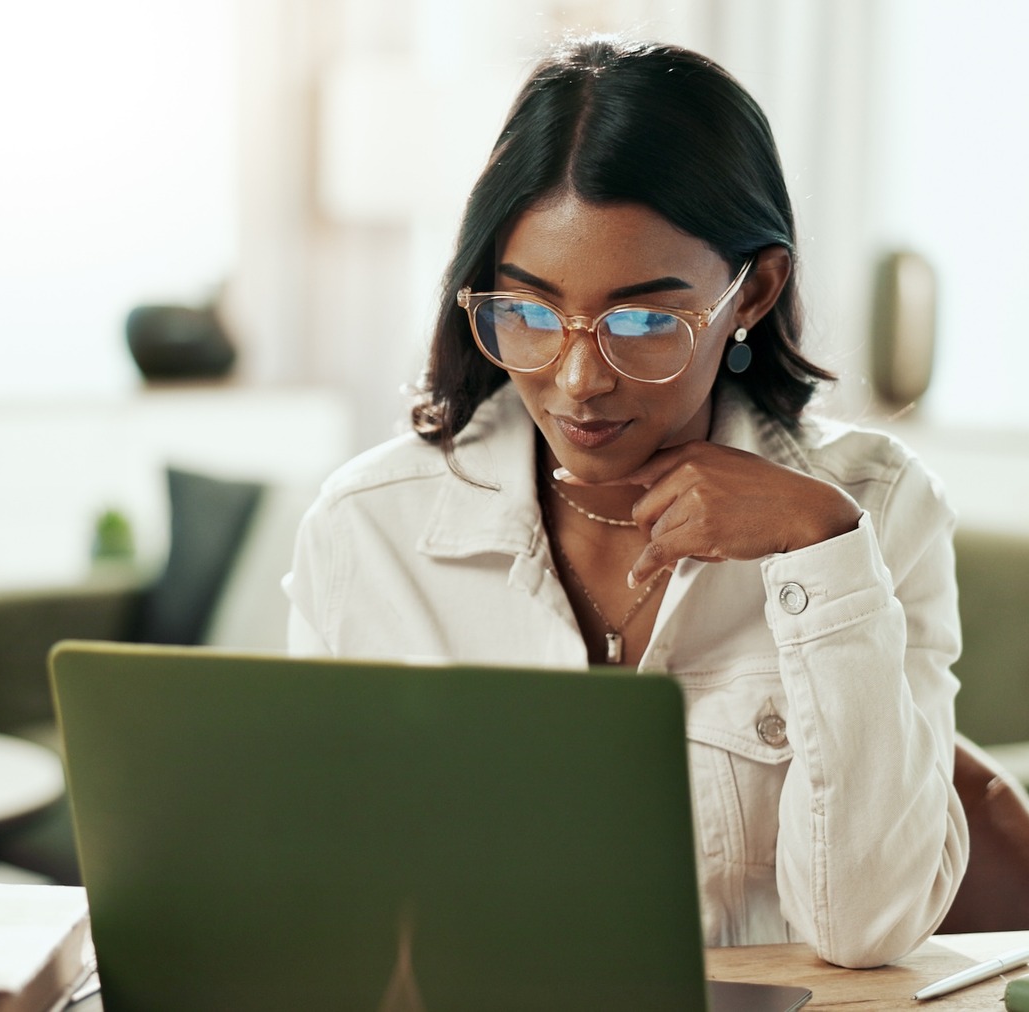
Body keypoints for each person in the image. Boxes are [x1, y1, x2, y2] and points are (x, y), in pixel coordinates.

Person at [282, 37, 965, 969]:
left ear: (753, 292)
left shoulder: (878, 512)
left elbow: (866, 928)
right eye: (524, 312)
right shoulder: (368, 528)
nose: (576, 381)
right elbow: (325, 900)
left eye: (642, 321)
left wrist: (824, 552)